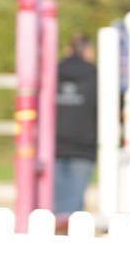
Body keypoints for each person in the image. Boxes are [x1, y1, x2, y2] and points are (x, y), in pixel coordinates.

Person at [54, 33, 99, 216]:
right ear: (88, 51)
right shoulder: (95, 75)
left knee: (55, 200)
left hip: (55, 143)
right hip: (84, 143)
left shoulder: (53, 72)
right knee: (74, 203)